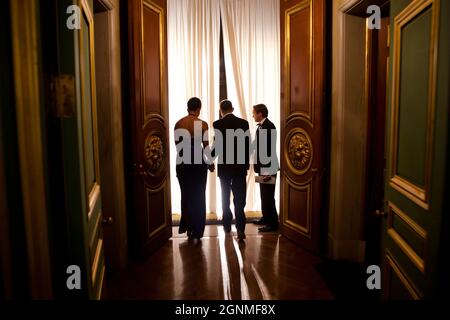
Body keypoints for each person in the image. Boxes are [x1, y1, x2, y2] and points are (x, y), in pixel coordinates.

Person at [175, 97, 214, 242]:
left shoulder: (179, 123)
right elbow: (206, 146)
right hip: (198, 163)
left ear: (188, 107)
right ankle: (197, 230)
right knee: (199, 195)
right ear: (199, 108)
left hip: (182, 162)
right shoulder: (201, 124)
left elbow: (177, 146)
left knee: (186, 195)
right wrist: (210, 163)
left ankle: (188, 228)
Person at [213, 100, 250, 241]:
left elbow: (216, 146)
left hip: (225, 168)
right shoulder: (244, 123)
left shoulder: (218, 124)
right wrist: (246, 165)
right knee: (239, 199)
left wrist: (210, 160)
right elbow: (247, 146)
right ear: (232, 109)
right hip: (240, 167)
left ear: (221, 110)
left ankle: (227, 225)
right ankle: (240, 228)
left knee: (225, 196)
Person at [252, 104, 280, 232]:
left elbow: (268, 150)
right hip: (263, 166)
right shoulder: (262, 126)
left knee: (269, 195)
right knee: (264, 194)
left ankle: (273, 223)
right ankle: (265, 217)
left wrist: (267, 171)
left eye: (254, 113)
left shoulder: (269, 126)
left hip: (268, 166)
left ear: (260, 113)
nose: (253, 115)